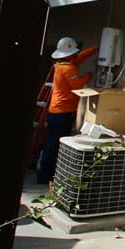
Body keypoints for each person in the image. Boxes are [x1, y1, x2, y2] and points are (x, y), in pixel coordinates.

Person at [36, 36, 98, 185]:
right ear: (70, 54)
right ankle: (45, 176)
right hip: (63, 113)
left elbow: (79, 57)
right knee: (55, 144)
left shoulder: (61, 65)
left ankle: (44, 174)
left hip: (56, 111)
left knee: (51, 142)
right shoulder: (68, 68)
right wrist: (89, 76)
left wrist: (95, 49)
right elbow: (77, 84)